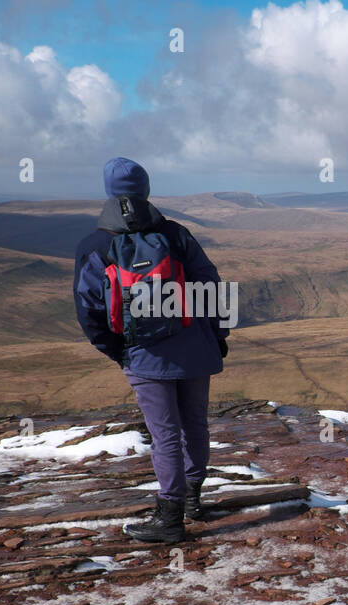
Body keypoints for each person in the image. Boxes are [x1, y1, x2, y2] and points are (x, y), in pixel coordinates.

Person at [72, 157, 229, 543]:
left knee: (164, 435)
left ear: (109, 191)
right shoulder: (176, 235)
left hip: (144, 355)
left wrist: (117, 350)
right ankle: (192, 500)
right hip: (195, 346)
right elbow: (211, 285)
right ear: (146, 189)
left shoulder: (96, 244)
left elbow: (88, 308)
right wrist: (217, 335)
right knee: (195, 424)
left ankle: (170, 518)